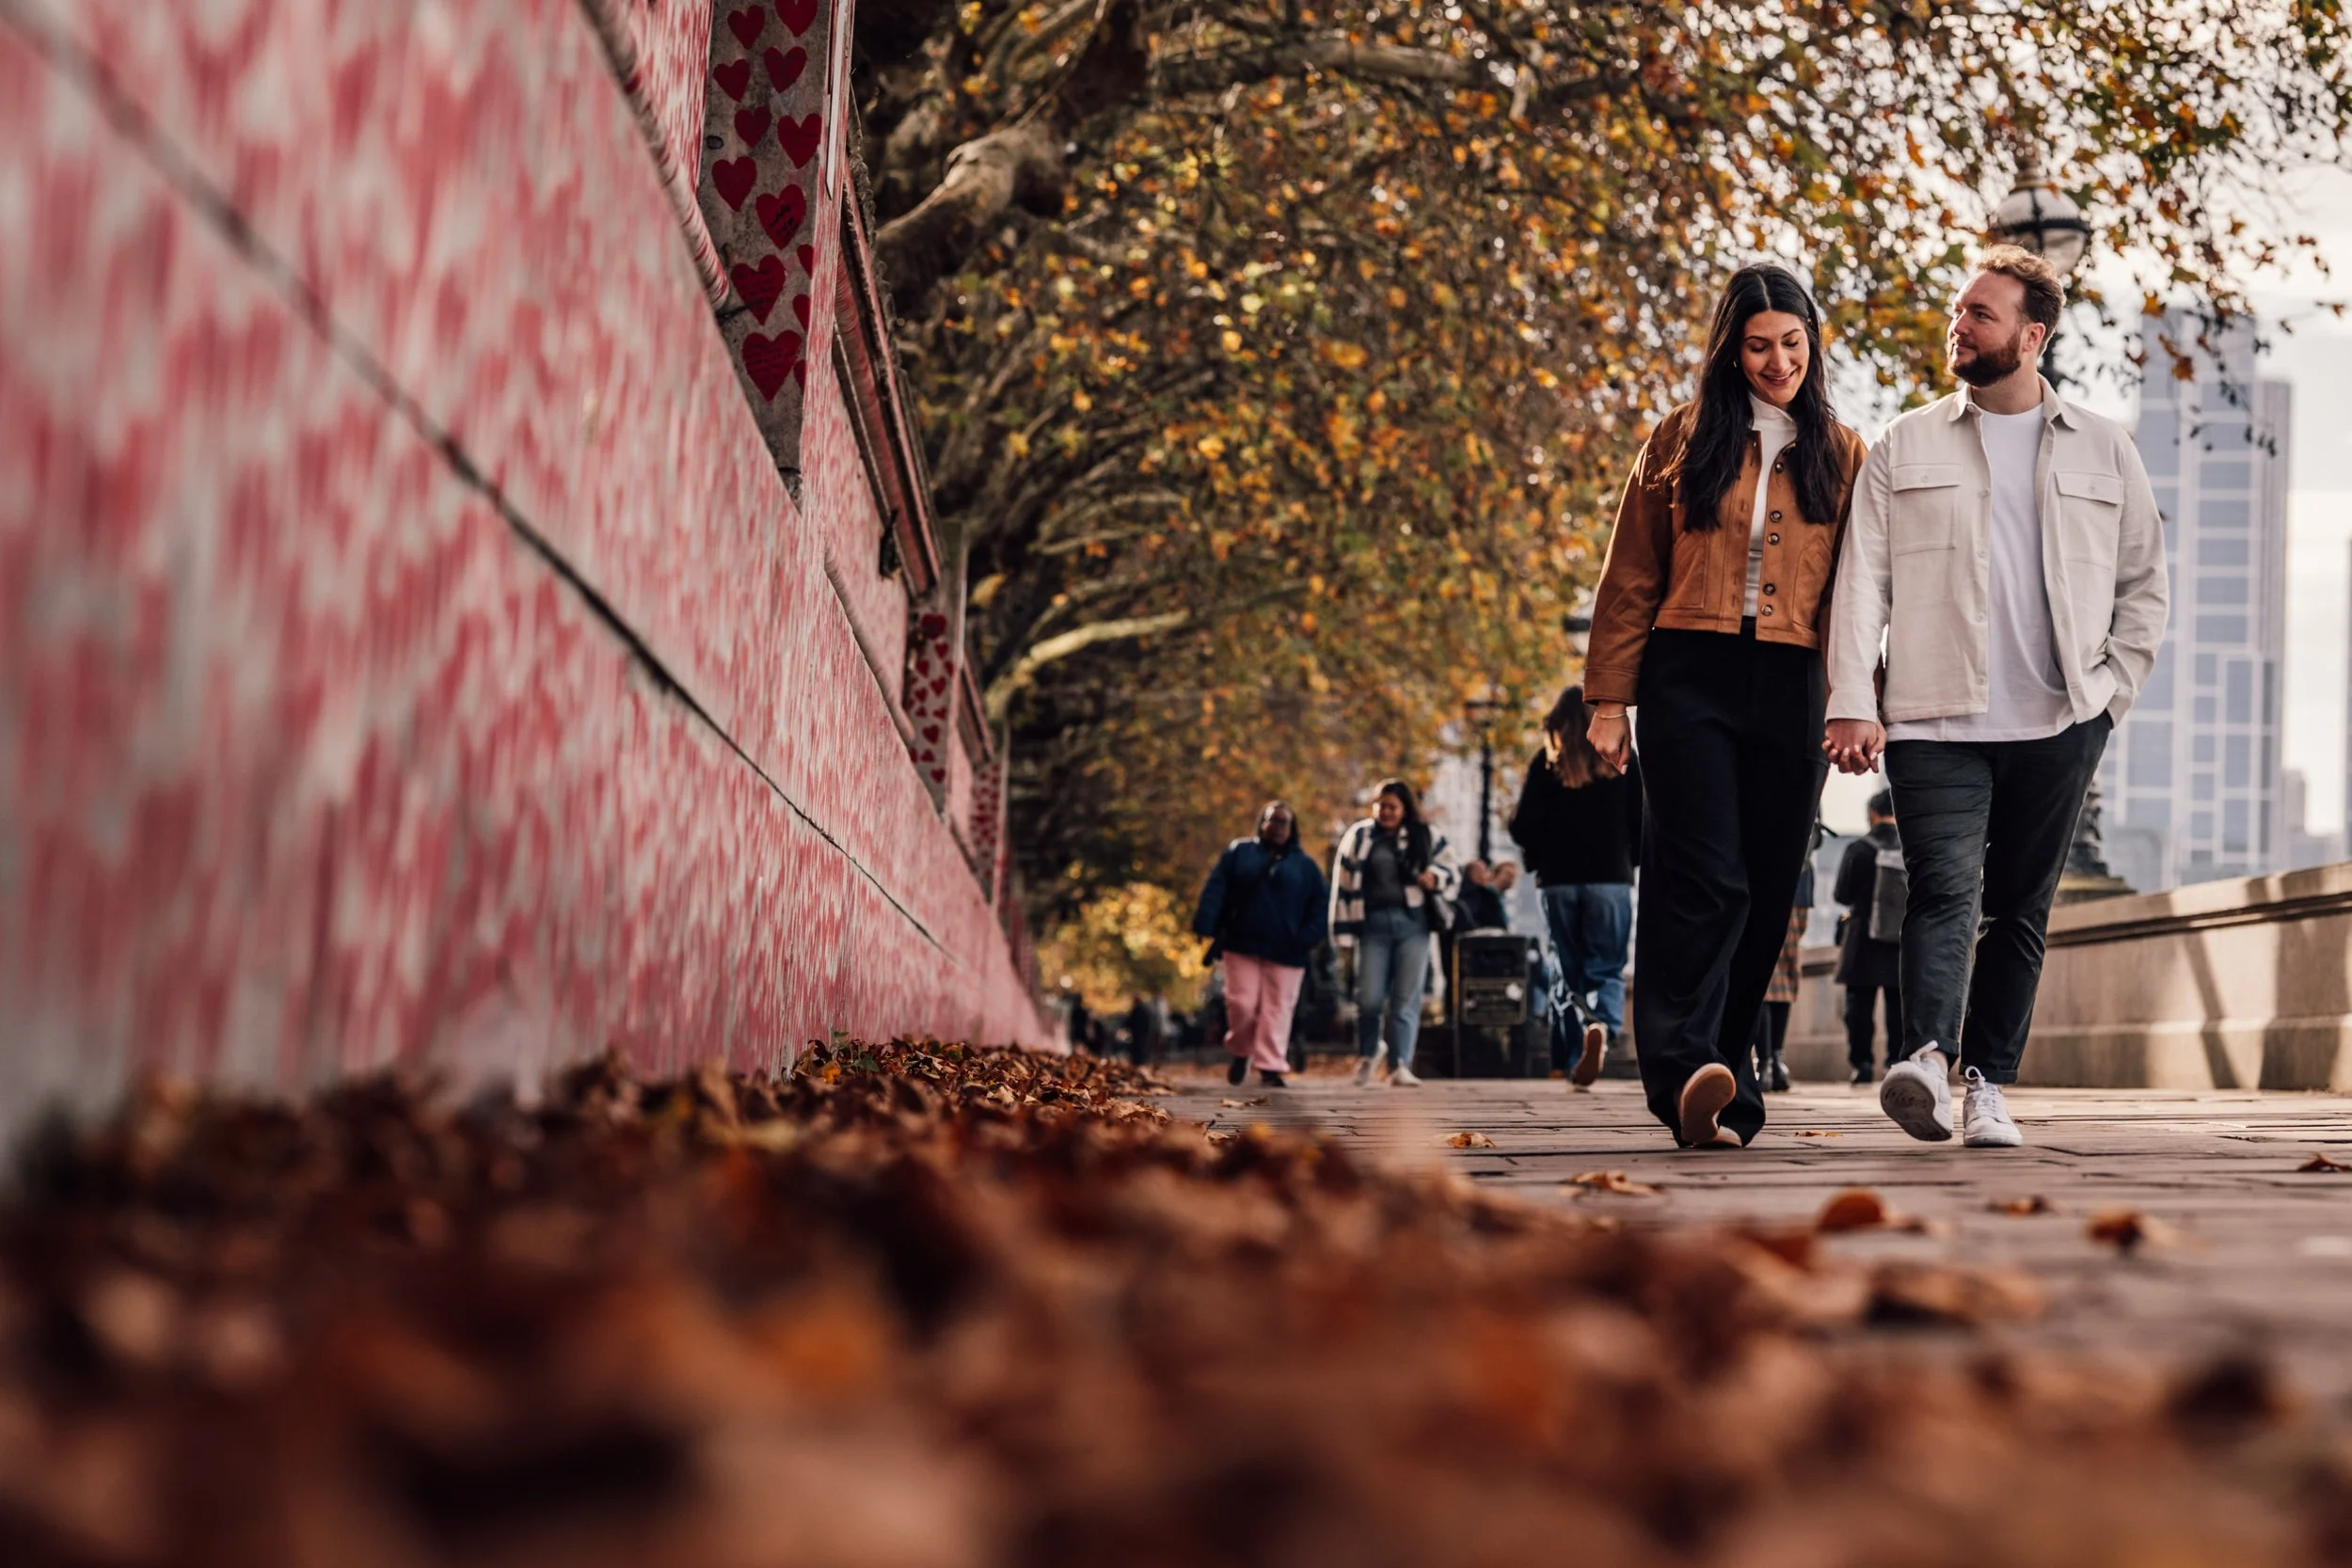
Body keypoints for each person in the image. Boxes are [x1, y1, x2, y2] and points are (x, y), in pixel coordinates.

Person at [1824, 245, 2169, 1148]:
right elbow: (1862, 584)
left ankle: (1988, 1085)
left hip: (2060, 720)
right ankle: (1928, 1063)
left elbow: (2145, 589)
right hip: (1935, 715)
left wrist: (2108, 700)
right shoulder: (1906, 443)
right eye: (1957, 310)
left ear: (2032, 335)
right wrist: (1852, 700)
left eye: (1980, 313)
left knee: (2021, 906)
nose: (1959, 325)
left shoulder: (2105, 448)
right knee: (1941, 889)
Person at [1584, 263, 1868, 1148]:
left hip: (1792, 681)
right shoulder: (1679, 439)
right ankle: (1681, 1069)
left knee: (1770, 884)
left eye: (1791, 343)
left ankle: (1727, 1084)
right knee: (1703, 875)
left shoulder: (1845, 452)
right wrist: (1607, 700)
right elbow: (1630, 577)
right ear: (1730, 349)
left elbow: (1861, 594)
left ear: (1812, 344)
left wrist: (1857, 697)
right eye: (1758, 345)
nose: (1777, 360)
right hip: (1689, 674)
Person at [1509, 684, 1642, 1088]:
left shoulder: (1546, 765)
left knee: (1567, 971)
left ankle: (1572, 1052)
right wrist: (1628, 860)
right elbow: (1642, 818)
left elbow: (1521, 825)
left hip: (1558, 881)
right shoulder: (1622, 759)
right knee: (1607, 966)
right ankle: (1604, 1025)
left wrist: (1539, 856)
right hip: (1609, 879)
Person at [1192, 801, 1330, 1088]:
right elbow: (1216, 886)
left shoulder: (1305, 866)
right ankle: (1241, 1051)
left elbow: (1320, 906)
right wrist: (1204, 922)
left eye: (1284, 822)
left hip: (1287, 950)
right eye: (1272, 820)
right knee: (1241, 1003)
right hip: (1242, 943)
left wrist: (1306, 938)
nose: (1278, 826)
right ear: (1262, 823)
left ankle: (1270, 1066)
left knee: (1277, 1008)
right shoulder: (1240, 853)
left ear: (1292, 829)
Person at [1331, 780, 1460, 1087]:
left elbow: (1452, 869)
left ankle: (1399, 1065)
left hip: (1412, 924)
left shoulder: (1425, 835)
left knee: (1405, 998)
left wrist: (1435, 877)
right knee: (1369, 999)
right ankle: (1369, 1050)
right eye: (1381, 806)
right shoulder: (1359, 836)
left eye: (1392, 807)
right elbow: (1343, 886)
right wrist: (1343, 933)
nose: (1385, 812)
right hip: (1372, 924)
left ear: (1404, 810)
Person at [1834, 790, 1905, 1085]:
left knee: (1859, 1007)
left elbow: (1842, 894)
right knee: (1898, 1006)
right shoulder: (1909, 848)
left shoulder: (1858, 849)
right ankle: (1896, 1062)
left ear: (1872, 814)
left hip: (1862, 938)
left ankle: (1862, 1064)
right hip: (1900, 938)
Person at [1749, 835, 1815, 1093]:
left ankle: (1764, 1064)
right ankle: (1777, 1060)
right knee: (1785, 973)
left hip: (1764, 881)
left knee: (1764, 974)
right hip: (1799, 885)